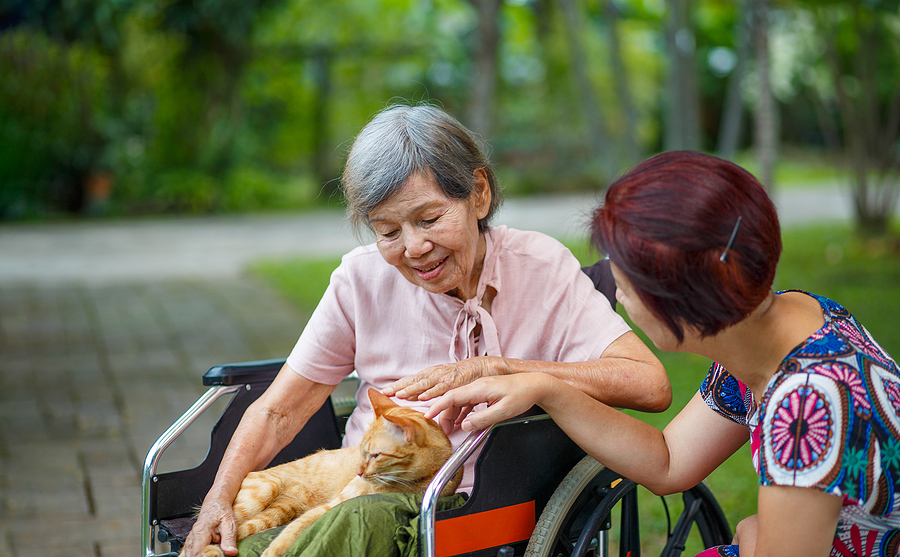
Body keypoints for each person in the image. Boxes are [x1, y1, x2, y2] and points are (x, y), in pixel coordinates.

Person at [182, 104, 670, 557]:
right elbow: (277, 412)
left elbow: (649, 383)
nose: (414, 248)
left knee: (354, 526)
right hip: (360, 484)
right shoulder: (360, 279)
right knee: (233, 544)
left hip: (471, 506)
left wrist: (502, 368)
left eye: (430, 219)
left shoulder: (539, 266)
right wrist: (217, 498)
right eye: (388, 232)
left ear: (479, 194)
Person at [427, 150, 900, 557]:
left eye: (626, 286)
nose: (621, 298)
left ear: (680, 302)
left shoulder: (807, 404)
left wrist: (755, 537)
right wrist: (548, 388)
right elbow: (671, 461)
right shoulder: (784, 322)